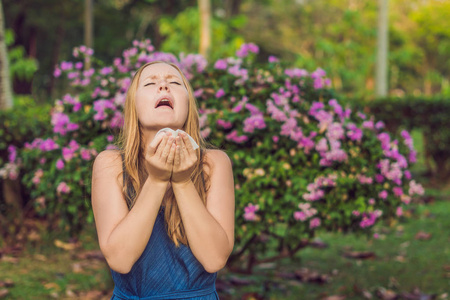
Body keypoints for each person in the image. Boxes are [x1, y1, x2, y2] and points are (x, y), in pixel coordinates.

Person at [91, 60, 235, 299]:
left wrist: (181, 181)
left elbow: (214, 259)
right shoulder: (110, 165)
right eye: (150, 83)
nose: (164, 87)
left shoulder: (214, 163)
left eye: (175, 82)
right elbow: (120, 259)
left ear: (189, 105)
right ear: (133, 107)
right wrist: (157, 181)